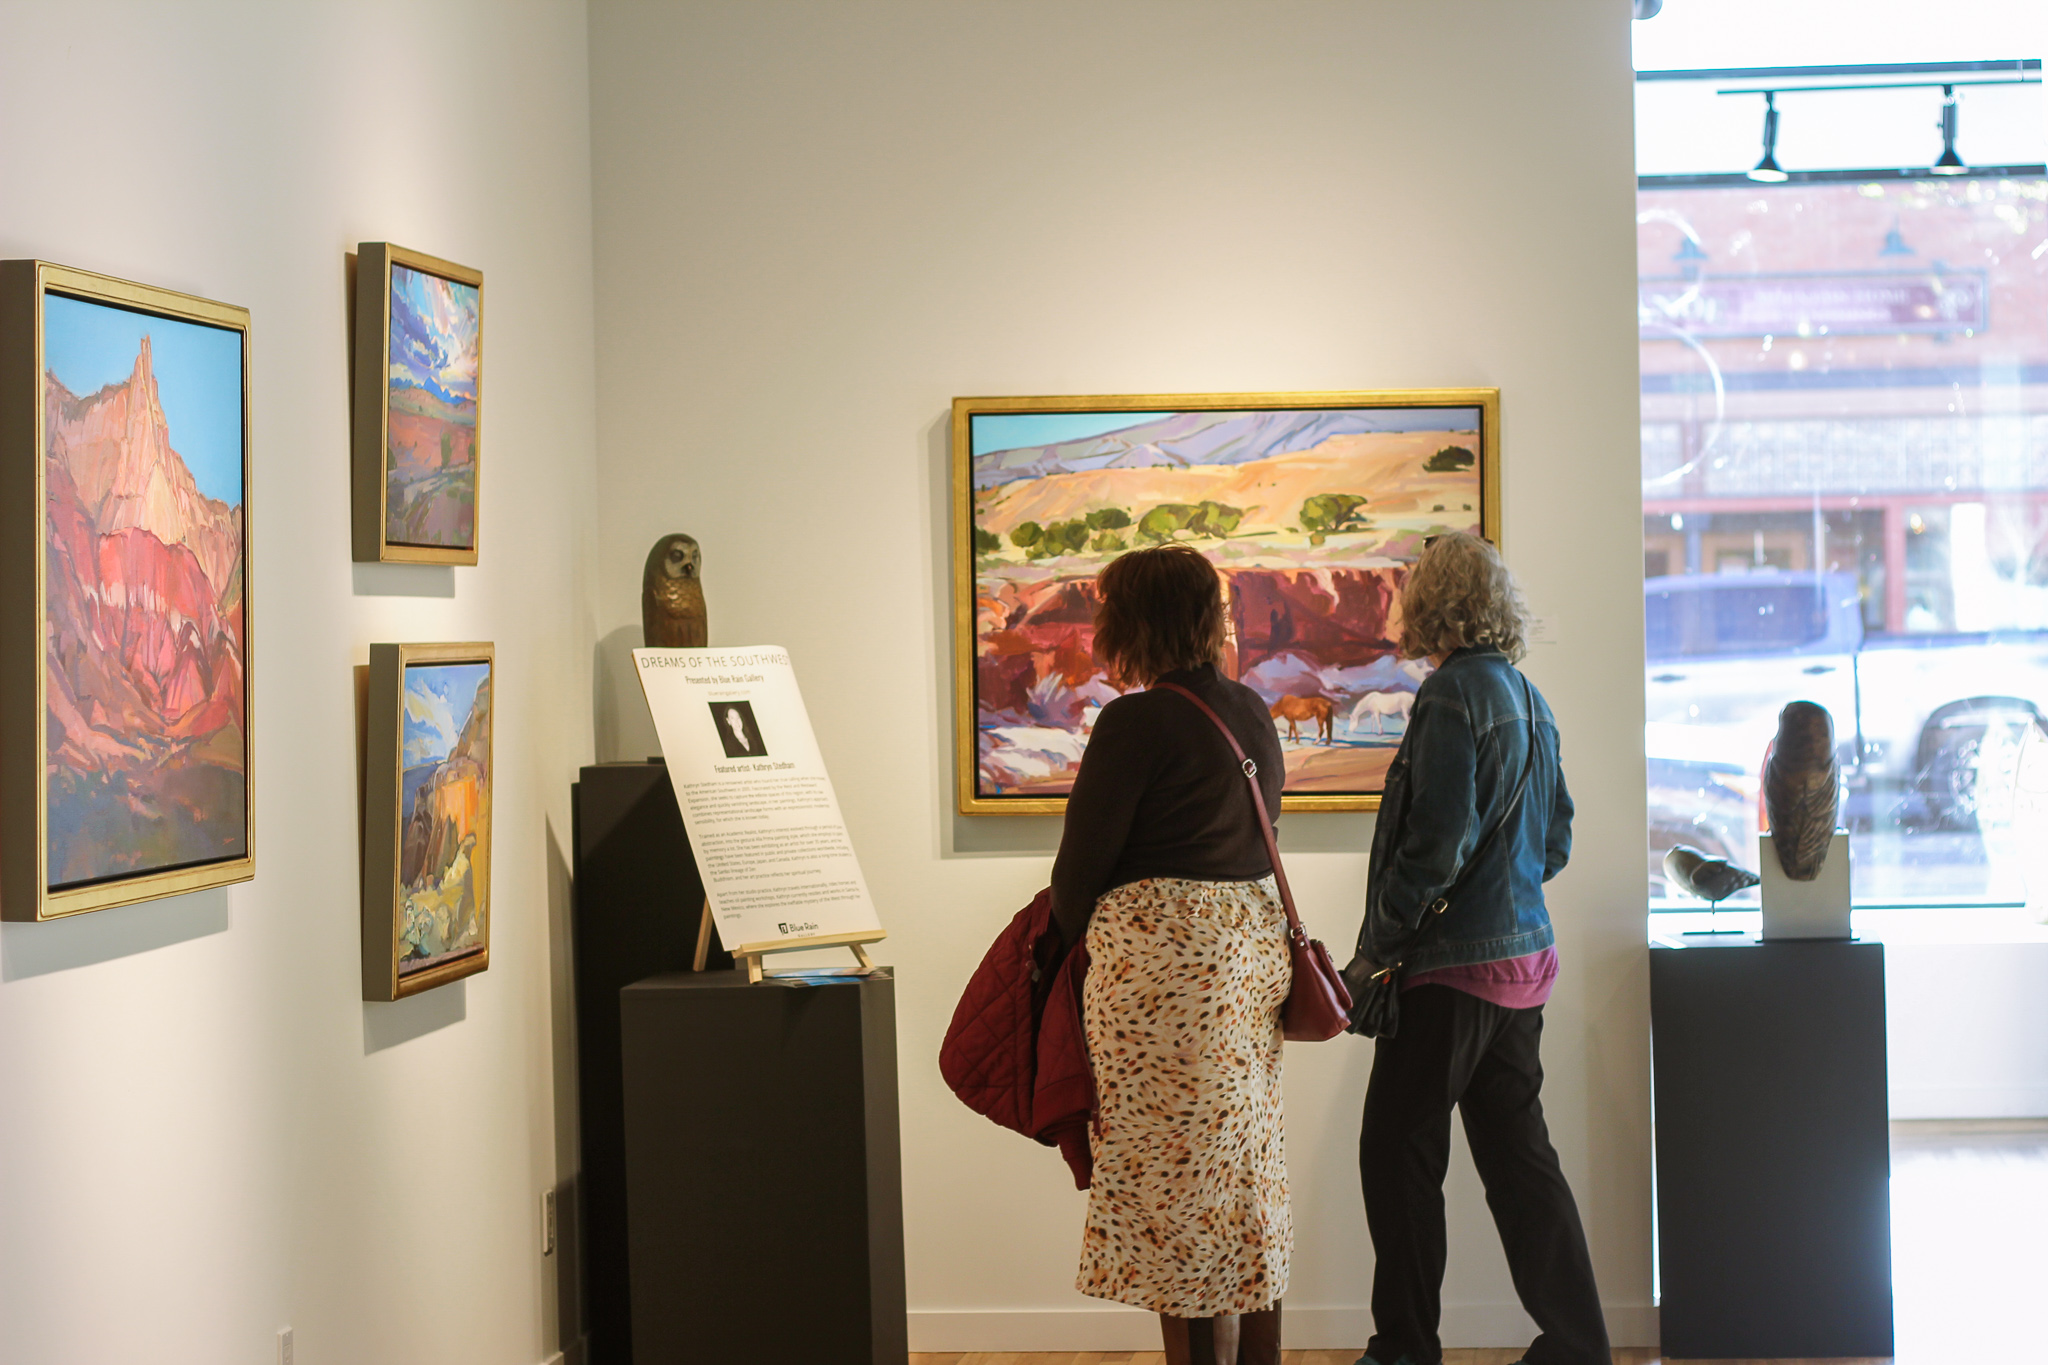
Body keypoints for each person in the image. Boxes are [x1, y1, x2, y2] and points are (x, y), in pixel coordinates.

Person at [1346, 532, 1607, 1365]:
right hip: (1523, 969)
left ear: (1433, 601)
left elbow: (1436, 844)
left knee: (1397, 1154)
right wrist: (1511, 890)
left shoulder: (1451, 696)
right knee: (1521, 1163)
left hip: (1451, 974)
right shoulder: (1530, 696)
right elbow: (1556, 838)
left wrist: (1378, 942)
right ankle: (1577, 1346)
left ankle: (1406, 1350)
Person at [1050, 543, 1290, 1365]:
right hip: (1247, 970)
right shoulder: (1254, 711)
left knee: (1173, 1189)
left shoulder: (1135, 720)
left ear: (1133, 622)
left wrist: (1050, 954)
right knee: (1244, 1178)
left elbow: (1079, 869)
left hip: (1164, 983)